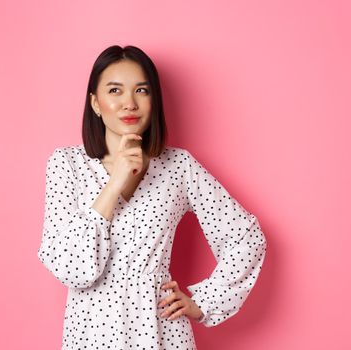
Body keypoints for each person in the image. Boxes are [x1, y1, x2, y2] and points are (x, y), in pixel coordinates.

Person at [37, 45, 267, 349]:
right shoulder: (67, 165)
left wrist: (205, 301)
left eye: (141, 90)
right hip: (91, 334)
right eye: (115, 90)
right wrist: (114, 184)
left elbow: (245, 238)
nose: (129, 103)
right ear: (95, 102)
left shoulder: (179, 166)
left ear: (153, 100)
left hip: (162, 333)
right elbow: (72, 269)